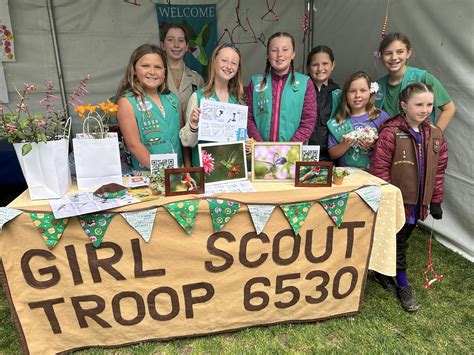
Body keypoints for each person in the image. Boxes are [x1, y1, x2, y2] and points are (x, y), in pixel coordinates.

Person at [369, 83, 448, 312]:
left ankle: (383, 273)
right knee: (398, 242)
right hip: (397, 203)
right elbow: (380, 169)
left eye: (429, 105)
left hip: (418, 203)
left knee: (400, 240)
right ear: (404, 105)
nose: (425, 109)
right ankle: (402, 283)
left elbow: (439, 170)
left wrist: (435, 200)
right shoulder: (391, 132)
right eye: (419, 104)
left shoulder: (435, 135)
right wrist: (387, 200)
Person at [116, 44, 183, 175]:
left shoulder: (172, 99)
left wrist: (187, 166)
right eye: (145, 66)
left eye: (158, 67)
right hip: (149, 174)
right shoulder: (127, 102)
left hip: (179, 170)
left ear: (164, 72)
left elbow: (182, 137)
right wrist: (164, 173)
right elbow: (134, 145)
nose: (152, 72)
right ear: (134, 69)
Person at [179, 42, 245, 166]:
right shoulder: (198, 97)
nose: (229, 66)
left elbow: (240, 139)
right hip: (204, 172)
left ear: (238, 69)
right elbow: (187, 142)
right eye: (224, 60)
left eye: (234, 63)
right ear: (214, 62)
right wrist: (193, 125)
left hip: (230, 170)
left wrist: (246, 144)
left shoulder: (238, 101)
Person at [376, 32, 455, 131]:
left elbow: (449, 108)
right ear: (381, 56)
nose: (394, 57)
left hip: (420, 142)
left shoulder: (423, 77)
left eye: (400, 52)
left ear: (408, 53)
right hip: (388, 143)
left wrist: (434, 136)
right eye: (388, 53)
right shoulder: (377, 86)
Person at [246, 32, 316, 143]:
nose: (280, 54)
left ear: (293, 54)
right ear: (268, 55)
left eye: (285, 49)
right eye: (274, 50)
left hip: (294, 152)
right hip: (261, 152)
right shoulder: (256, 83)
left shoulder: (305, 83)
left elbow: (308, 121)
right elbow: (248, 118)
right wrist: (260, 145)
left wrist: (290, 148)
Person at [327, 71, 390, 170]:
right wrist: (346, 144)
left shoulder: (381, 117)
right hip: (347, 175)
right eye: (352, 91)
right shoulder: (338, 121)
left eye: (363, 90)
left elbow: (390, 149)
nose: (357, 95)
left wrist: (373, 145)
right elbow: (332, 154)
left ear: (371, 92)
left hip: (375, 174)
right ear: (345, 95)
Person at [306, 45, 341, 161]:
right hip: (304, 152)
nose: (320, 68)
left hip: (330, 155)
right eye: (315, 64)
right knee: (306, 177)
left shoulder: (338, 94)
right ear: (308, 67)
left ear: (333, 65)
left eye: (325, 64)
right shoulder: (300, 91)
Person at [160, 24, 204, 113]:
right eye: (170, 40)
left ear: (187, 46)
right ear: (162, 45)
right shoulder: (155, 76)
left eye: (181, 40)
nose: (176, 45)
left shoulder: (197, 79)